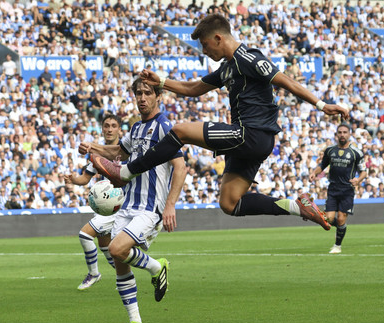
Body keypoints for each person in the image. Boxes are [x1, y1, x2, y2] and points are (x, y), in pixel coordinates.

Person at [85, 14, 349, 231]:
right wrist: (161, 82)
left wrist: (322, 105)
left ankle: (126, 172)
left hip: (251, 134)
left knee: (179, 130)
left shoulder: (249, 58)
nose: (204, 50)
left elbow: (286, 81)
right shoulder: (227, 67)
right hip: (250, 141)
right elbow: (194, 88)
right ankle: (297, 207)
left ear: (218, 38)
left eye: (205, 45)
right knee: (230, 203)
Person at [78, 78, 187, 323]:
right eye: (138, 93)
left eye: (147, 93)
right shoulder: (136, 128)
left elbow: (180, 167)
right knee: (119, 261)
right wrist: (93, 147)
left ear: (158, 96)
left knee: (116, 249)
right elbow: (119, 152)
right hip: (126, 206)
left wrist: (170, 206)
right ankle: (135, 321)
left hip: (150, 208)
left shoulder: (164, 127)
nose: (142, 98)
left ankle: (156, 266)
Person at [65, 114, 122, 290]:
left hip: (122, 204)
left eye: (113, 126)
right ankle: (126, 275)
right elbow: (86, 178)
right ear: (102, 128)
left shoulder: (126, 149)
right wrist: (74, 180)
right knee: (105, 245)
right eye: (106, 126)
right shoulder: (97, 153)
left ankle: (94, 273)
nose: (109, 129)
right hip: (108, 205)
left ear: (119, 129)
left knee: (85, 235)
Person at [309, 124, 367, 254]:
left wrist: (358, 180)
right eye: (340, 132)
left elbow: (364, 171)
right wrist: (314, 172)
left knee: (341, 218)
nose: (342, 134)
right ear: (336, 134)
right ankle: (342, 227)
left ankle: (337, 246)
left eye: (345, 132)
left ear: (349, 134)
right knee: (328, 219)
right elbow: (322, 165)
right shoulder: (330, 150)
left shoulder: (356, 152)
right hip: (333, 189)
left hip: (347, 190)